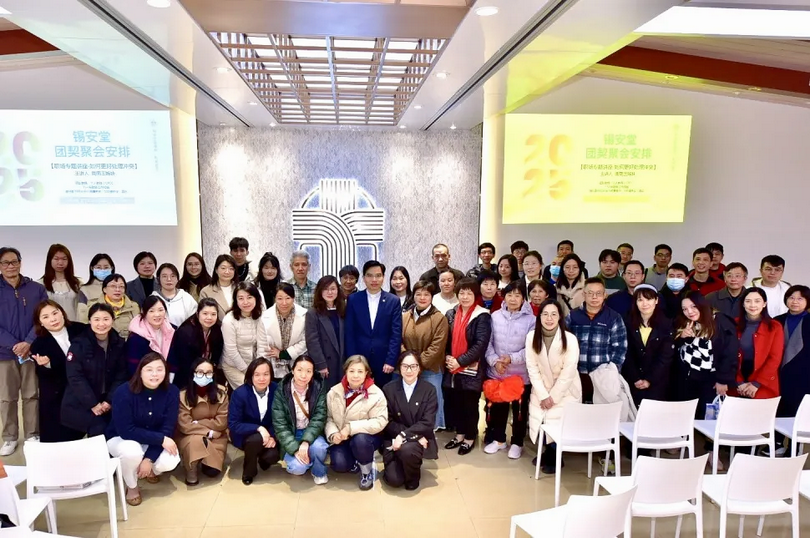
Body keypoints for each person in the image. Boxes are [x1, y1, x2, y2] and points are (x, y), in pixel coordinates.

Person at [106, 353, 181, 506]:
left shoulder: (172, 391)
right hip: (121, 438)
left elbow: (167, 428)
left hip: (152, 438)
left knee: (170, 460)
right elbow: (126, 430)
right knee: (132, 452)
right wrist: (161, 440)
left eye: (160, 369)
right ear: (140, 371)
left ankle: (149, 467)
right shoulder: (123, 392)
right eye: (149, 369)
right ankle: (132, 486)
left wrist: (149, 459)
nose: (155, 374)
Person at [0, 247, 47, 455]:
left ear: (20, 262)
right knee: (7, 397)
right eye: (5, 263)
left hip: (31, 352)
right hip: (4, 354)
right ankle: (9, 437)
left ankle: (32, 434)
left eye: (14, 261)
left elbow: (43, 317)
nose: (10, 266)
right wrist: (14, 345)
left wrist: (28, 342)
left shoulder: (36, 289)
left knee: (31, 395)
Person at [525, 299, 582, 474]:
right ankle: (546, 450)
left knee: (558, 420)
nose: (549, 318)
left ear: (560, 317)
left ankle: (556, 454)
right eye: (545, 314)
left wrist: (553, 397)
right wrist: (543, 395)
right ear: (539, 316)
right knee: (542, 419)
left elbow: (569, 372)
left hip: (565, 391)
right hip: (541, 388)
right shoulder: (531, 336)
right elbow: (532, 368)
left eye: (554, 314)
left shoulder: (570, 339)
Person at [483, 281, 534, 460]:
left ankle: (517, 443)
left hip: (520, 374)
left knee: (519, 411)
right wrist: (494, 361)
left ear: (523, 298)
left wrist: (511, 358)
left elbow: (531, 348)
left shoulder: (531, 320)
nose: (513, 299)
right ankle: (499, 440)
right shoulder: (495, 316)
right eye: (510, 294)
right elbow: (487, 344)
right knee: (498, 409)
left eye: (517, 295)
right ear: (504, 296)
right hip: (497, 372)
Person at [61, 303, 128, 438]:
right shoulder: (79, 344)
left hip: (106, 402)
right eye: (96, 319)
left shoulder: (119, 343)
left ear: (112, 320)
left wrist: (109, 401)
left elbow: (121, 375)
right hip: (80, 402)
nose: (101, 324)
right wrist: (93, 403)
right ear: (90, 321)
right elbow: (75, 377)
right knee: (94, 431)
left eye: (106, 319)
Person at [443, 277, 492, 455]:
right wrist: (448, 357)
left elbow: (480, 344)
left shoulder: (482, 315)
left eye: (468, 293)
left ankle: (470, 437)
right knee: (456, 403)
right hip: (452, 367)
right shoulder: (451, 313)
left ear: (475, 295)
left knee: (470, 405)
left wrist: (460, 361)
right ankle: (460, 434)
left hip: (471, 367)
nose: (464, 296)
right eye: (461, 293)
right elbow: (445, 340)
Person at [324, 355, 388, 490]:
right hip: (343, 438)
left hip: (366, 438)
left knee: (360, 440)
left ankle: (366, 471)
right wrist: (333, 434)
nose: (355, 375)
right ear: (345, 372)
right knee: (339, 465)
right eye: (351, 371)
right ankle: (354, 462)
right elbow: (329, 418)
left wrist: (351, 428)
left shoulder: (376, 394)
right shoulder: (334, 392)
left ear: (366, 373)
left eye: (360, 371)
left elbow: (380, 421)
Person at [673, 292, 738, 421]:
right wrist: (681, 337)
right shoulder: (684, 321)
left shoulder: (720, 320)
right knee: (688, 416)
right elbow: (675, 346)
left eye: (693, 306)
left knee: (709, 416)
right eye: (685, 309)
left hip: (711, 378)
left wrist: (723, 379)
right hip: (688, 377)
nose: (689, 312)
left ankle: (710, 440)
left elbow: (730, 352)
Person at [381, 351, 438, 490]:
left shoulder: (429, 389)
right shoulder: (389, 389)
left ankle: (413, 473)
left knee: (408, 450)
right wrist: (412, 436)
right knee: (393, 480)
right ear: (399, 368)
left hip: (416, 439)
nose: (409, 370)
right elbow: (387, 421)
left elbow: (428, 422)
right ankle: (402, 463)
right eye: (405, 366)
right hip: (395, 438)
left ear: (419, 368)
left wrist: (405, 436)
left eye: (413, 366)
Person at [29, 300, 86, 443]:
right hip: (59, 395)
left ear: (62, 313)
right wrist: (47, 366)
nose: (53, 319)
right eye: (46, 317)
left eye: (55, 313)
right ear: (40, 322)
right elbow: (43, 377)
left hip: (86, 389)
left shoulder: (81, 330)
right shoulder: (38, 345)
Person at [565, 278, 627, 401]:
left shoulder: (613, 317)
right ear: (584, 294)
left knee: (602, 414)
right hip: (577, 375)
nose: (594, 297)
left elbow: (620, 348)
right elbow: (563, 344)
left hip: (603, 376)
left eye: (598, 293)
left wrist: (612, 371)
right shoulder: (573, 316)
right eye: (590, 293)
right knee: (579, 413)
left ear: (604, 295)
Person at [271, 355, 329, 485]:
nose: (304, 375)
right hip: (291, 433)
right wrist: (295, 449)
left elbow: (319, 417)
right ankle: (306, 460)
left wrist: (306, 442)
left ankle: (318, 471)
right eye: (300, 370)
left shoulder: (318, 388)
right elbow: (280, 425)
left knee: (320, 448)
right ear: (292, 370)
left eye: (308, 371)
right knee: (298, 468)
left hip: (311, 432)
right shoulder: (282, 390)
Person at [401, 280, 449, 430]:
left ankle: (432, 429)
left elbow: (437, 347)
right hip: (407, 367)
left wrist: (417, 365)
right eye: (418, 294)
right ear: (413, 296)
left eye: (426, 294)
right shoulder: (405, 316)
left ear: (432, 296)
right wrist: (408, 363)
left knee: (430, 402)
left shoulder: (439, 318)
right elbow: (398, 340)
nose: (422, 297)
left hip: (430, 368)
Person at [345, 261, 402, 386]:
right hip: (359, 360)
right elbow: (349, 332)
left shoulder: (393, 301)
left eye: (378, 275)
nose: (374, 279)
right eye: (370, 275)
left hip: (384, 360)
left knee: (383, 396)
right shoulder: (354, 299)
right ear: (364, 278)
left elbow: (396, 334)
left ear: (383, 277)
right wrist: (352, 361)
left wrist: (391, 360)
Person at [176, 357, 229, 485]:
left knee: (212, 472)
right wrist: (209, 431)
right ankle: (191, 468)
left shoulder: (221, 393)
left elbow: (221, 423)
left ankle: (202, 457)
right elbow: (185, 425)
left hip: (216, 437)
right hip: (189, 437)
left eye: (208, 372)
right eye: (200, 372)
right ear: (193, 373)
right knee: (195, 439)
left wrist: (198, 423)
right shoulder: (182, 395)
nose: (204, 376)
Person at [228, 358, 280, 485]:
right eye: (257, 374)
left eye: (266, 374)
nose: (262, 378)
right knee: (256, 439)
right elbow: (233, 423)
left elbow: (280, 417)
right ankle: (249, 472)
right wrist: (259, 428)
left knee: (273, 456)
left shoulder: (277, 390)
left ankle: (262, 458)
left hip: (269, 433)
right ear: (250, 375)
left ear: (271, 375)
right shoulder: (240, 394)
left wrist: (272, 436)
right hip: (245, 435)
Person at [622, 285, 674, 405]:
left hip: (658, 383)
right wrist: (635, 378)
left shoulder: (666, 324)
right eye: (640, 300)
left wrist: (649, 379)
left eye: (649, 299)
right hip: (632, 380)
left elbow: (665, 357)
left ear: (656, 300)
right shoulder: (627, 322)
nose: (645, 304)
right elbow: (626, 353)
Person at [731, 288, 783, 400]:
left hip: (763, 382)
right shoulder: (733, 324)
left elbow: (775, 358)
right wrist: (738, 382)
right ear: (743, 304)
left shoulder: (775, 326)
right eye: (748, 301)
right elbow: (727, 355)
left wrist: (756, 384)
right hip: (737, 380)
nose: (752, 305)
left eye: (757, 301)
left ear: (764, 304)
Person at [167, 298, 223, 387]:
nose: (209, 317)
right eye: (205, 313)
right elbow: (184, 360)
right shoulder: (185, 332)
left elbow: (217, 353)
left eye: (213, 314)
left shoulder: (218, 329)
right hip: (187, 374)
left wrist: (209, 370)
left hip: (208, 372)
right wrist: (199, 373)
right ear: (197, 314)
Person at [258, 282, 308, 381]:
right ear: (275, 299)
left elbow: (305, 341)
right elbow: (262, 345)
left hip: (297, 364)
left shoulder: (305, 315)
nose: (284, 303)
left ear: (293, 298)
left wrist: (283, 354)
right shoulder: (264, 317)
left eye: (288, 298)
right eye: (280, 298)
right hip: (273, 366)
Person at [775, 285, 810, 422]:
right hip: (778, 371)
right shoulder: (777, 320)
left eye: (800, 298)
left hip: (803, 373)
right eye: (791, 297)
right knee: (778, 408)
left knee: (797, 410)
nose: (795, 301)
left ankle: (792, 443)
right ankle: (776, 442)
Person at [304, 276, 345, 389]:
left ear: (338, 290)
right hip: (326, 364)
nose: (329, 292)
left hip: (343, 362)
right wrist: (321, 365)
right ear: (320, 291)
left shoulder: (343, 310)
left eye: (333, 288)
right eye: (325, 289)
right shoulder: (313, 313)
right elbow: (312, 342)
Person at [221, 282, 263, 389]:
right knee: (251, 389)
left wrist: (258, 368)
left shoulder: (260, 316)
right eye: (241, 298)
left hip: (253, 365)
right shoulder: (229, 320)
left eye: (249, 297)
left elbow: (262, 344)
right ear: (236, 300)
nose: (245, 302)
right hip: (233, 366)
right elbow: (231, 350)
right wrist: (248, 371)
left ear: (256, 298)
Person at [78, 274, 140, 339]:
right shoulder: (93, 305)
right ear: (104, 289)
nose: (117, 289)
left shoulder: (133, 306)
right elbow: (85, 328)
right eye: (113, 286)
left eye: (121, 286)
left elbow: (137, 330)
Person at [125, 296, 175, 375]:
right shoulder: (136, 337)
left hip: (168, 378)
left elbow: (175, 359)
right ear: (143, 312)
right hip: (144, 380)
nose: (157, 314)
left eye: (161, 310)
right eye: (151, 311)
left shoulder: (172, 330)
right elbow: (133, 367)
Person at [39, 244, 82, 321]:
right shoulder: (41, 284)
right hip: (51, 325)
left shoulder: (78, 283)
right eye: (56, 259)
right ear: (50, 260)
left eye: (64, 259)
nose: (60, 262)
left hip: (74, 326)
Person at [152, 263, 197, 327]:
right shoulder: (152, 299)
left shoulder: (187, 298)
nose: (169, 279)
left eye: (173, 276)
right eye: (164, 276)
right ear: (158, 279)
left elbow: (195, 322)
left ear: (177, 279)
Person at [199, 254, 237, 319]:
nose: (227, 272)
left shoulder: (240, 289)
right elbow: (203, 314)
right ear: (216, 270)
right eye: (223, 268)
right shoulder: (206, 291)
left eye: (231, 268)